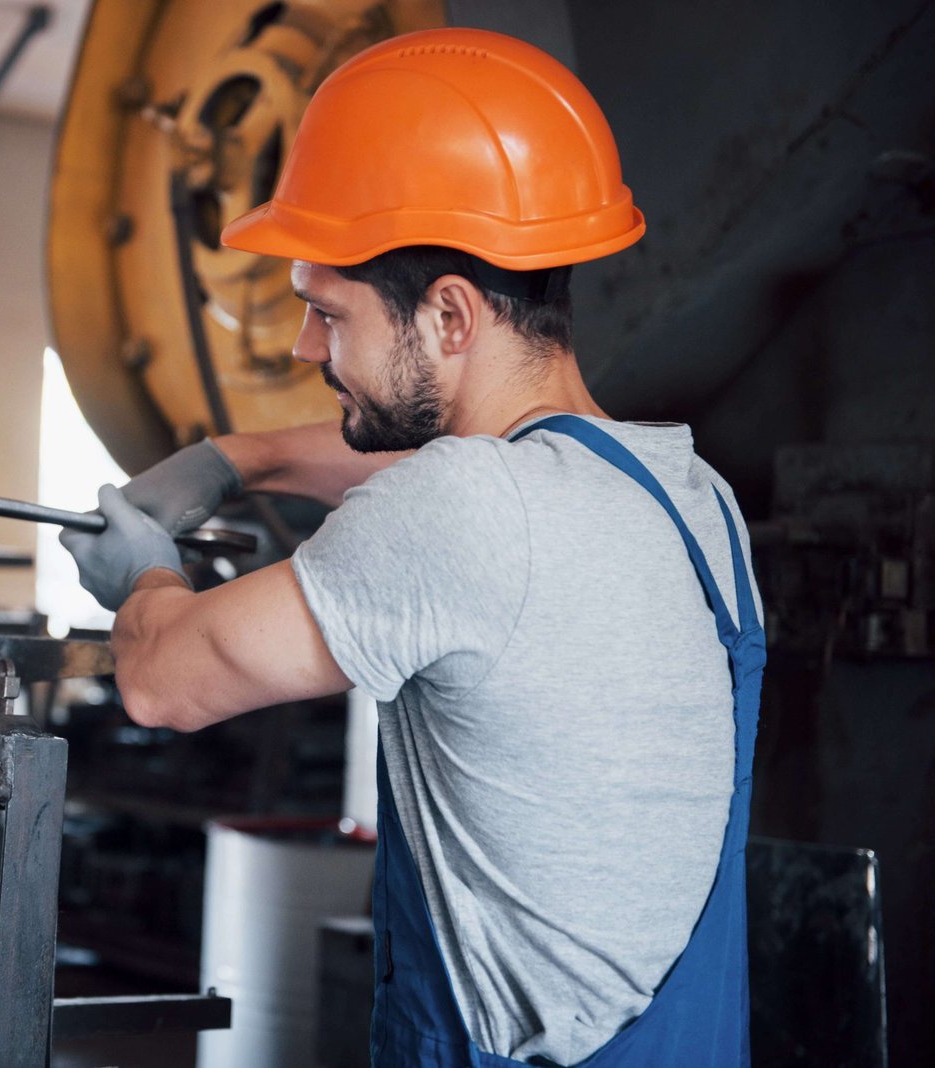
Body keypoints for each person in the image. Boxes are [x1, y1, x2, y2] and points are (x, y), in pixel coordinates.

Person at [59, 27, 765, 1068]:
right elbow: (450, 495)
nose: (305, 349)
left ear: (447, 317)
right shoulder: (688, 496)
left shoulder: (466, 514)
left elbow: (166, 682)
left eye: (326, 313)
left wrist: (141, 573)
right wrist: (234, 458)